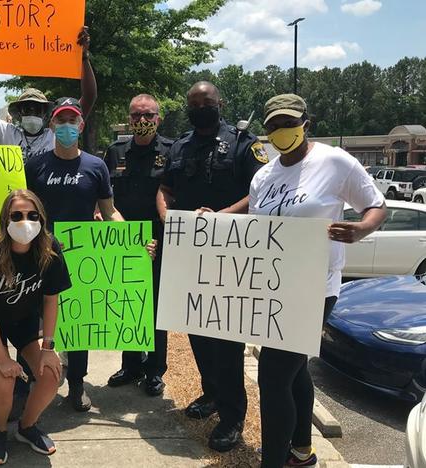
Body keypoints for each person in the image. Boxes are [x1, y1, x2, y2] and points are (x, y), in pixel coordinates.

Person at [250, 94, 386, 468]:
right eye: (274, 126)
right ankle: (301, 450)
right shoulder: (264, 175)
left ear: (306, 122)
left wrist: (362, 229)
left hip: (314, 288)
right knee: (293, 373)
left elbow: (376, 205)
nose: (282, 132)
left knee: (273, 375)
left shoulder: (334, 161)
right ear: (267, 131)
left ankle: (274, 461)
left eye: (289, 123)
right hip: (273, 288)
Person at [157, 81, 268, 452]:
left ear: (220, 103)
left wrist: (218, 219)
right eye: (194, 104)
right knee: (197, 330)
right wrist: (170, 218)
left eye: (206, 103)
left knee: (227, 337)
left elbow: (260, 191)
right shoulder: (181, 145)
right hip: (189, 253)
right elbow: (165, 189)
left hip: (230, 257)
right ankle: (212, 394)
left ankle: (234, 415)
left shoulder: (243, 144)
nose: (200, 108)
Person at [25, 97, 125, 411]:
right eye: (61, 120)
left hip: (82, 258)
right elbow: (24, 210)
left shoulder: (96, 166)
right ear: (52, 124)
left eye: (73, 120)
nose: (66, 126)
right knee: (34, 323)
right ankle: (31, 382)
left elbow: (110, 213)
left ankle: (77, 385)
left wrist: (132, 239)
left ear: (81, 125)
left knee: (78, 325)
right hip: (41, 256)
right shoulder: (36, 165)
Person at [0, 189, 70, 465]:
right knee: (3, 379)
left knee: (50, 374)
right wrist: (2, 359)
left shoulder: (50, 248)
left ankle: (27, 426)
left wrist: (48, 347)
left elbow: (51, 299)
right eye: (17, 215)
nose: (25, 221)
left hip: (22, 318)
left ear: (41, 218)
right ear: (5, 219)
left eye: (32, 215)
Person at [104, 94, 173, 396]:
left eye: (148, 116)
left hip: (159, 242)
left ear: (159, 118)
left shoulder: (171, 151)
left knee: (156, 308)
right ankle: (131, 365)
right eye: (136, 116)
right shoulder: (116, 151)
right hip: (123, 242)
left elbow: (173, 195)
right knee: (127, 305)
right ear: (128, 119)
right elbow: (104, 194)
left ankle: (155, 371)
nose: (142, 121)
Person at [0, 27, 97, 161]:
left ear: (45, 113)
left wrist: (84, 58)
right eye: (27, 108)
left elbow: (90, 96)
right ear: (19, 113)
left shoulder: (55, 134)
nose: (32, 112)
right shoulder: (7, 133)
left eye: (37, 109)